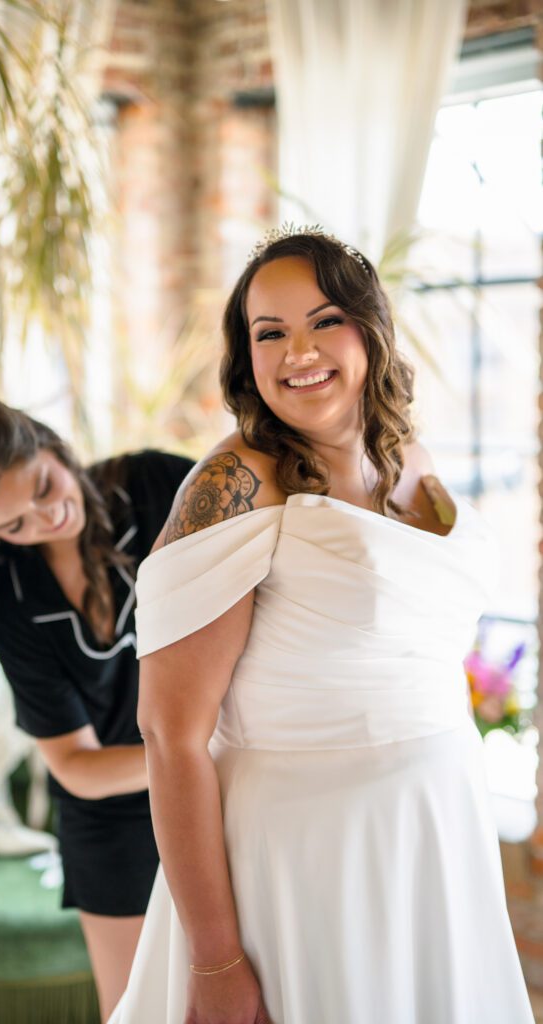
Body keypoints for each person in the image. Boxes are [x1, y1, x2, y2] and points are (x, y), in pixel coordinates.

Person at [108, 227, 534, 1024]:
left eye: (322, 320)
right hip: (302, 852)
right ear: (247, 356)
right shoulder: (235, 482)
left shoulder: (403, 451)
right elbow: (169, 734)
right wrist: (216, 960)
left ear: (368, 328)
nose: (297, 351)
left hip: (434, 829)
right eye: (269, 333)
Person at [0, 396, 194, 1022]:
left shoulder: (155, 485)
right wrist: (192, 754)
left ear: (50, 444)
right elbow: (75, 765)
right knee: (135, 1012)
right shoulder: (7, 594)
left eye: (44, 486)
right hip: (112, 827)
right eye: (14, 525)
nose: (47, 517)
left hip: (213, 795)